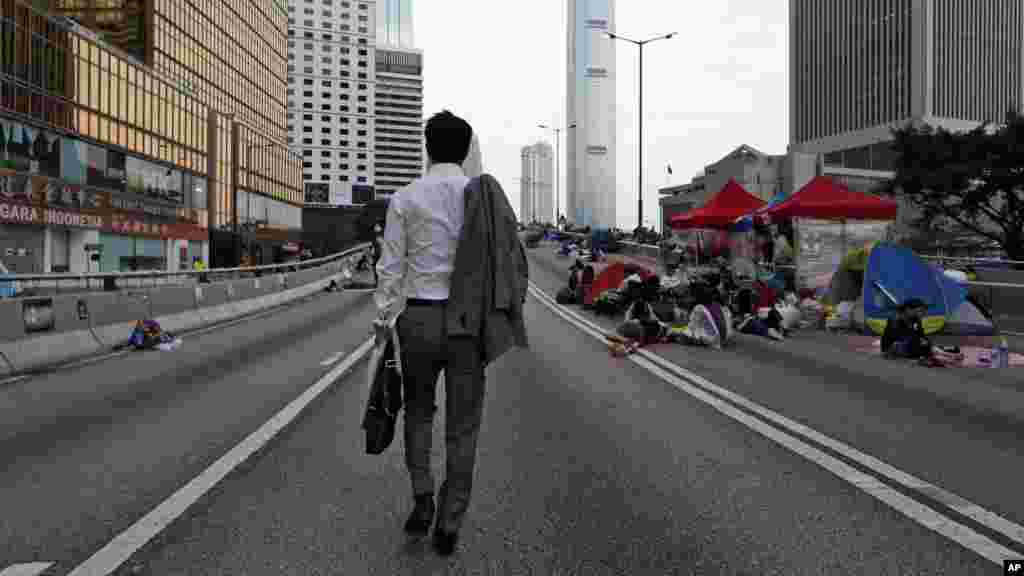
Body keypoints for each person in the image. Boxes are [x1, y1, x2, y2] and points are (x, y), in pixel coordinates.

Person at [373, 111, 527, 556]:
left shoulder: (405, 198)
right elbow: (509, 261)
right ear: (464, 150)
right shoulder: (479, 196)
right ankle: (450, 520)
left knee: (418, 412)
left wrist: (383, 322)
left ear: (427, 146)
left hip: (417, 319)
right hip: (465, 325)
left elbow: (390, 269)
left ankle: (421, 497)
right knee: (463, 427)